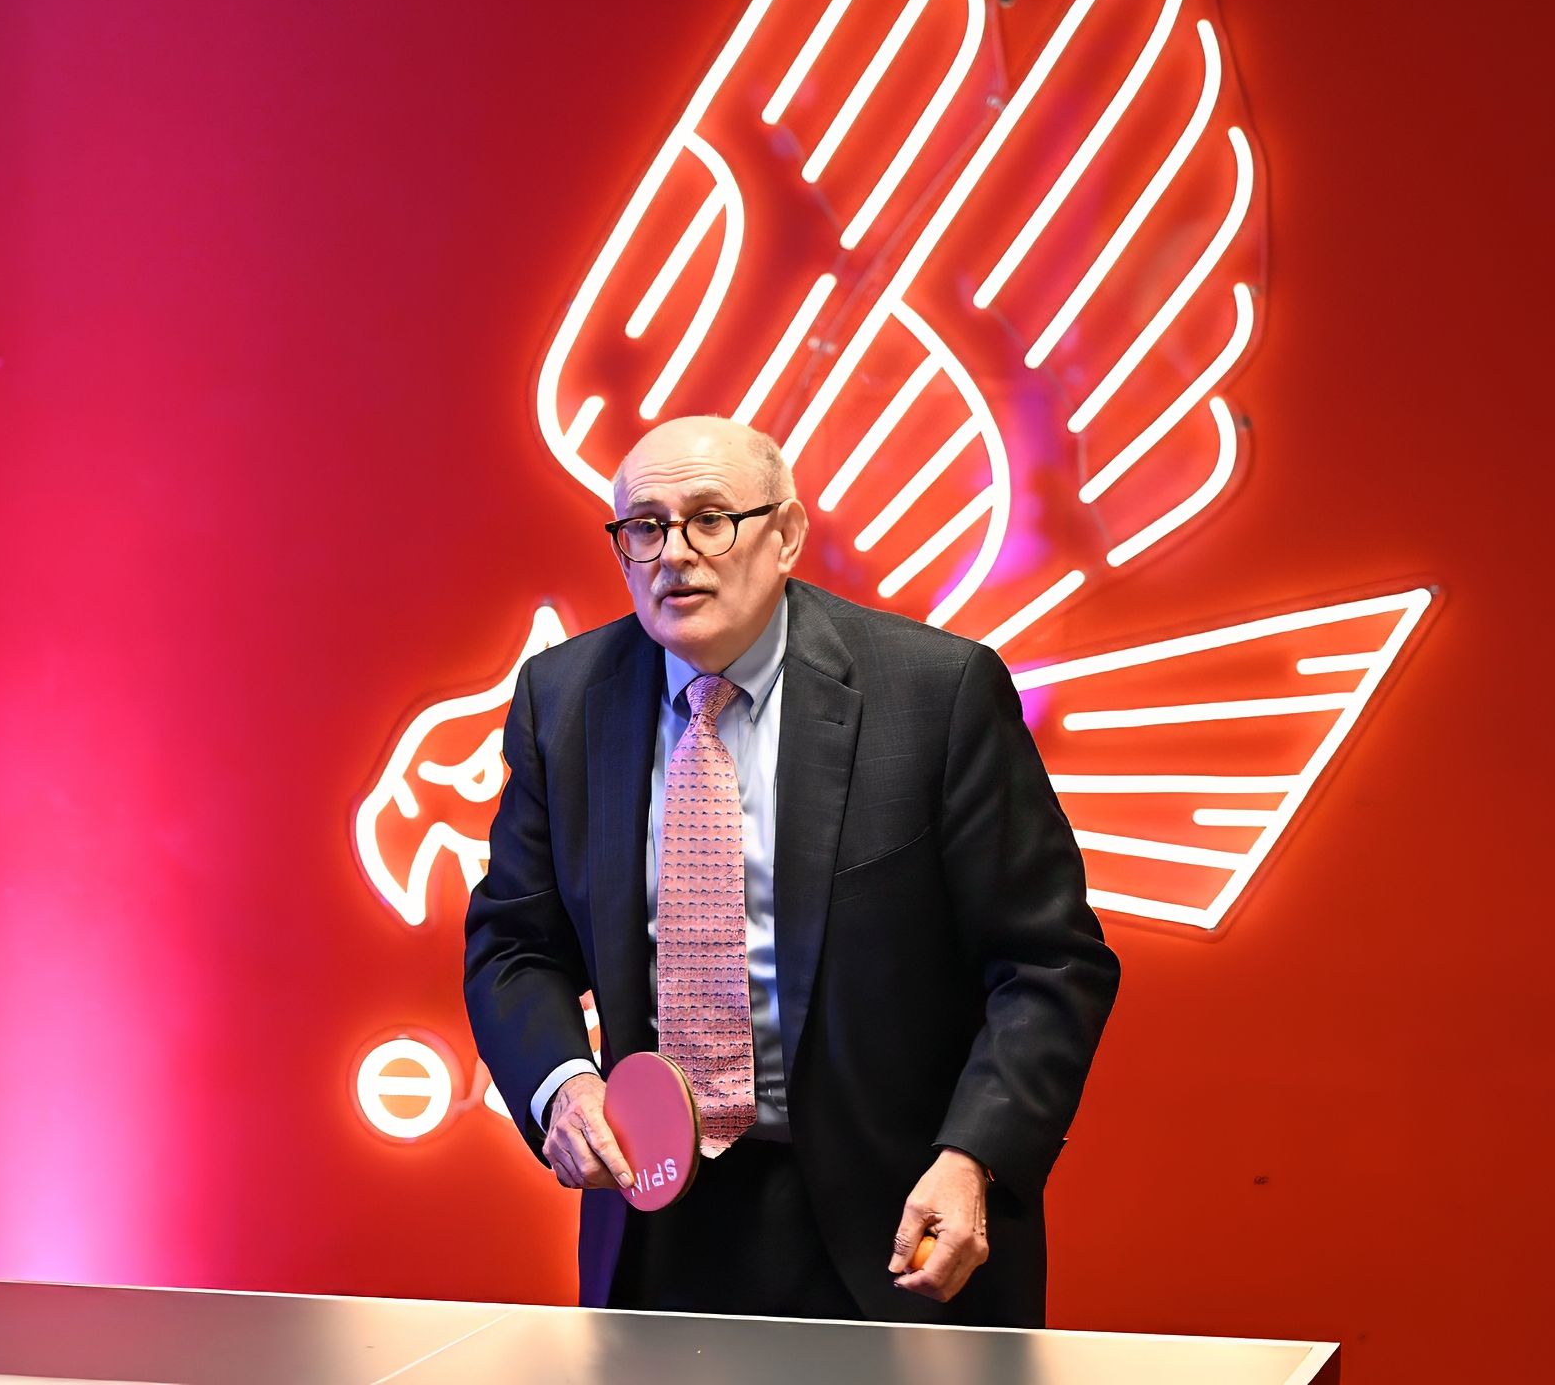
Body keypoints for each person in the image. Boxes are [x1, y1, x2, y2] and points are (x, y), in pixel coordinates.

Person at [463, 415, 1120, 1327]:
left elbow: (1048, 964)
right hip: (657, 1215)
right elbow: (514, 942)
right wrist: (559, 1084)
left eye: (710, 518)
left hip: (900, 1212)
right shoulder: (563, 698)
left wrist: (975, 1156)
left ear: (786, 537)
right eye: (645, 527)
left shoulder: (936, 693)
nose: (675, 555)